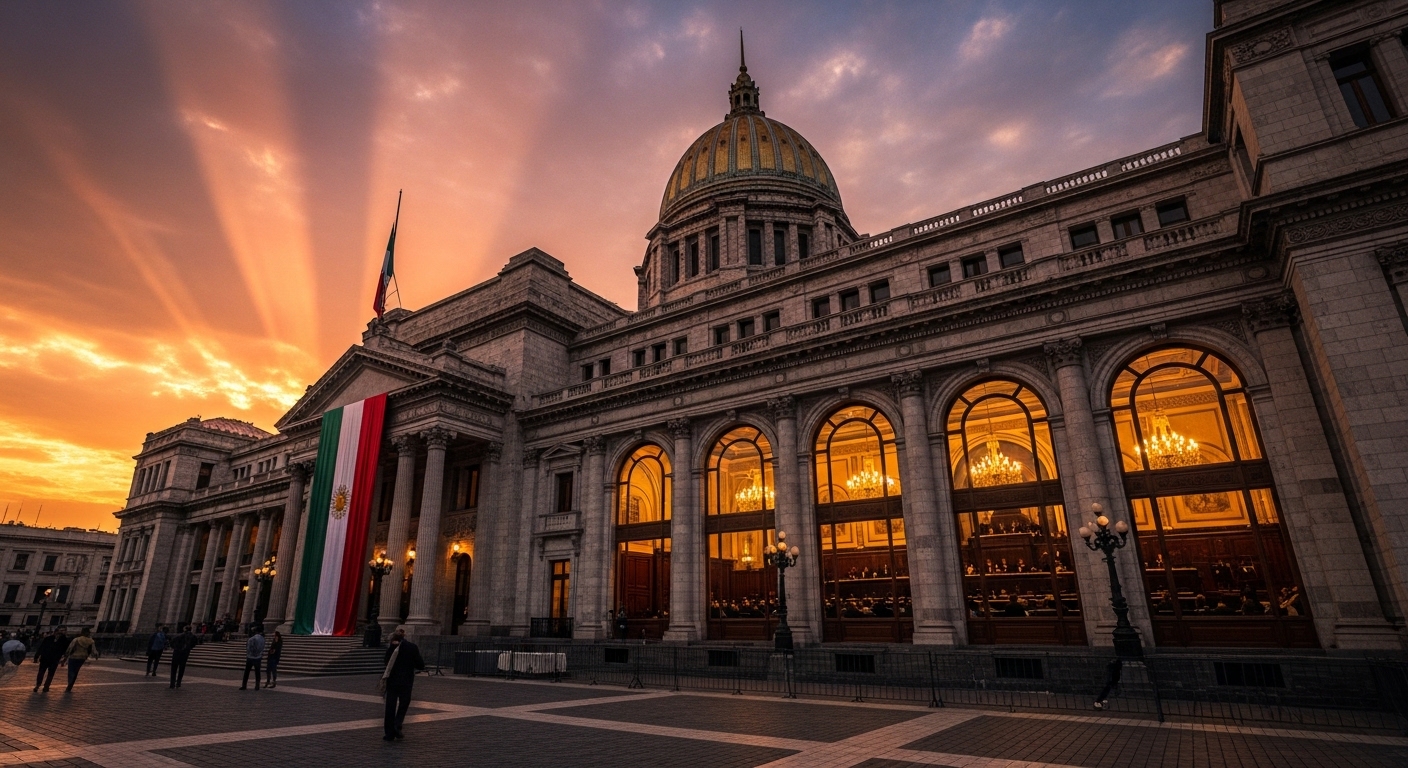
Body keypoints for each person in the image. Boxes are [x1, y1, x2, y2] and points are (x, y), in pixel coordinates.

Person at [380, 629, 425, 741]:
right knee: (404, 703)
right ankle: (397, 723)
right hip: (406, 681)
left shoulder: (391, 648)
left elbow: (386, 662)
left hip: (392, 681)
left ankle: (389, 734)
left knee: (390, 706)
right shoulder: (412, 647)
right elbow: (421, 665)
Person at [63, 627, 99, 691]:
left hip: (73, 657)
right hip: (82, 657)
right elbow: (94, 650)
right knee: (76, 671)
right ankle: (71, 684)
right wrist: (96, 656)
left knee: (71, 671)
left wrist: (65, 657)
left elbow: (70, 648)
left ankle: (69, 684)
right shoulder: (91, 641)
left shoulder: (76, 639)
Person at [33, 626, 67, 692]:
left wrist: (63, 659)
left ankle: (46, 686)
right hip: (45, 658)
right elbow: (41, 647)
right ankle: (38, 685)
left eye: (64, 630)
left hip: (54, 659)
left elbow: (65, 650)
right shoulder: (48, 639)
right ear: (56, 631)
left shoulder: (64, 640)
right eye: (61, 630)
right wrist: (36, 656)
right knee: (41, 672)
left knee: (50, 673)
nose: (62, 632)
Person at [240, 625, 265, 690]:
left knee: (247, 672)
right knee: (257, 672)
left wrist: (250, 653)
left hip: (250, 657)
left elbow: (249, 648)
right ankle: (257, 685)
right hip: (258, 657)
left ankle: (244, 685)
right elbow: (263, 647)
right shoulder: (262, 639)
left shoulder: (252, 639)